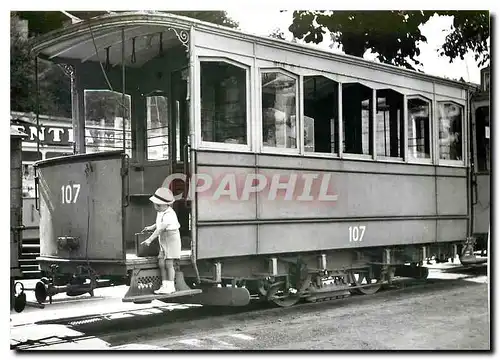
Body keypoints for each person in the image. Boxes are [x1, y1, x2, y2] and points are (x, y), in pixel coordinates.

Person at [141, 187, 181, 294]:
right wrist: (151, 227)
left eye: (158, 205)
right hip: (164, 240)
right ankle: (164, 285)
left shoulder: (169, 214)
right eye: (155, 204)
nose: (156, 207)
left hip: (171, 240)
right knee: (161, 263)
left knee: (169, 264)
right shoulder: (161, 212)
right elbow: (158, 224)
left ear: (167, 205)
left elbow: (161, 228)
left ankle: (171, 286)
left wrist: (149, 239)